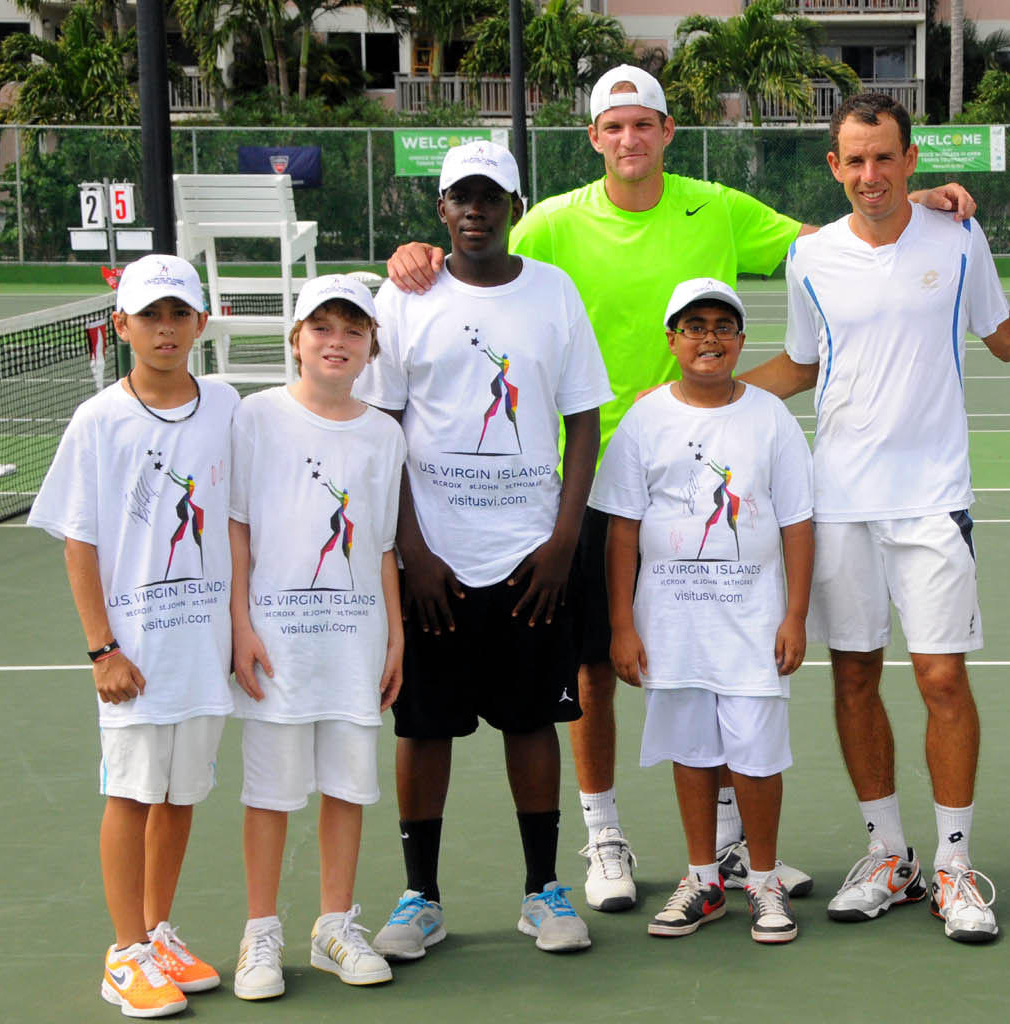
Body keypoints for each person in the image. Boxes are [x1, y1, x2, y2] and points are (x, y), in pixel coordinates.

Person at [386, 64, 978, 913]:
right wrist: (416, 255)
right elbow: (472, 262)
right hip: (583, 483)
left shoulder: (719, 208)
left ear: (668, 132)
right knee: (593, 667)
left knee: (718, 652)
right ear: (595, 138)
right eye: (613, 126)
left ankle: (731, 851)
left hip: (711, 474)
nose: (630, 139)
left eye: (645, 124)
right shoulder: (549, 222)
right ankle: (603, 836)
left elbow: (838, 236)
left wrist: (917, 204)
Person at [739, 92, 1010, 945]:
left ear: (912, 160)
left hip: (934, 499)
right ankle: (889, 855)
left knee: (942, 679)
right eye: (854, 160)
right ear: (834, 168)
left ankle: (952, 865)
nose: (870, 175)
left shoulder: (960, 236)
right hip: (838, 502)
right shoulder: (811, 259)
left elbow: (1004, 334)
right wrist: (708, 393)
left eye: (884, 158)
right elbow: (802, 365)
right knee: (854, 677)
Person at [356, 141, 614, 958]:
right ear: (442, 211)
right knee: (421, 729)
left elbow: (583, 419)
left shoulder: (554, 292)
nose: (475, 210)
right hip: (434, 561)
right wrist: (413, 549)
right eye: (460, 198)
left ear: (513, 204)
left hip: (531, 559)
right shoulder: (402, 300)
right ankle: (419, 897)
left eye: (490, 196)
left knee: (531, 721)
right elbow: (383, 426)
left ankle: (542, 890)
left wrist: (564, 539)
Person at [30, 254, 236, 1017]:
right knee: (131, 795)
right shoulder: (98, 420)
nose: (165, 328)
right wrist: (101, 647)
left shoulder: (225, 406)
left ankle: (155, 933)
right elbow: (78, 540)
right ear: (121, 326)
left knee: (179, 797)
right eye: (149, 315)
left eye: (179, 314)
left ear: (200, 324)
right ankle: (123, 954)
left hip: (202, 650)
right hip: (135, 656)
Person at [591, 278, 814, 943]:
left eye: (723, 325)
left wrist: (795, 615)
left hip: (752, 622)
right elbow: (623, 529)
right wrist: (623, 624)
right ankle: (704, 879)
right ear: (673, 340)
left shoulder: (770, 416)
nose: (709, 338)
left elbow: (799, 523)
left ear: (741, 340)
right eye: (694, 327)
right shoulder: (645, 419)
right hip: (672, 624)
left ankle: (765, 883)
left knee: (755, 754)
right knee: (691, 751)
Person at [227, 276, 407, 999]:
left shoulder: (383, 432)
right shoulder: (254, 417)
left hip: (355, 640)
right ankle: (260, 933)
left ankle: (335, 925)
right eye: (321, 328)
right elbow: (237, 529)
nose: (337, 342)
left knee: (347, 787)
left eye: (353, 330)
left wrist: (394, 638)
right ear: (295, 340)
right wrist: (240, 624)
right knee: (271, 793)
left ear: (370, 347)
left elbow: (384, 544)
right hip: (276, 641)